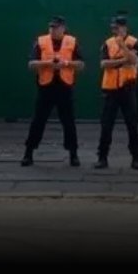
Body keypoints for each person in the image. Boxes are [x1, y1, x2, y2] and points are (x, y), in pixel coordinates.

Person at [22, 16, 84, 167]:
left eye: (56, 27)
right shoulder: (41, 41)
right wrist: (48, 63)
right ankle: (28, 153)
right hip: (46, 88)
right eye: (51, 27)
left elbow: (81, 64)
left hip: (65, 87)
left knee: (69, 122)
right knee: (38, 121)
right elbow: (31, 64)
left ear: (63, 28)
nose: (53, 30)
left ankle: (73, 154)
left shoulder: (72, 41)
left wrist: (66, 63)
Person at [95, 13, 138, 171]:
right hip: (111, 89)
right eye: (113, 27)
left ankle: (136, 158)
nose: (114, 30)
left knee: (132, 125)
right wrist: (122, 61)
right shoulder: (108, 43)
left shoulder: (133, 42)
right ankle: (102, 158)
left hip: (128, 88)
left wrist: (122, 46)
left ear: (124, 27)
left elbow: (134, 60)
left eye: (117, 27)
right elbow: (104, 64)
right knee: (106, 125)